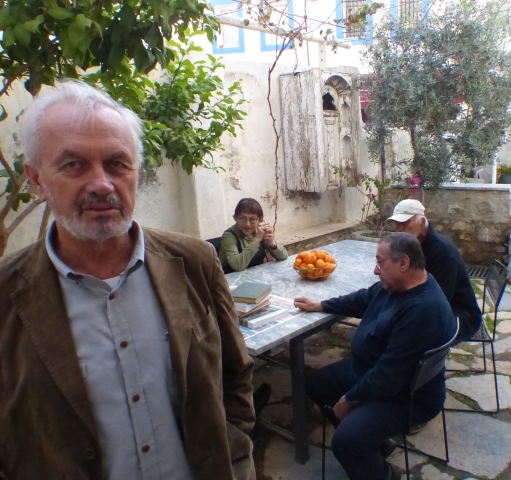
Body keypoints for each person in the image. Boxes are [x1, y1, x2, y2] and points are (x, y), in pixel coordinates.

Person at [0, 81, 256, 480]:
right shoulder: (7, 295)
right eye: (74, 164)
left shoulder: (195, 262)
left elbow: (235, 372)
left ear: (136, 171)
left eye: (117, 163)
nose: (102, 184)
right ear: (36, 181)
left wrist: (235, 453)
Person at [294, 233, 456, 480]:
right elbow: (363, 298)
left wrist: (350, 399)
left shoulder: (423, 309)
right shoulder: (399, 285)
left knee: (346, 441)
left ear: (404, 263)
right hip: (371, 371)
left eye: (380, 262)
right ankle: (378, 445)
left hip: (408, 395)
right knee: (316, 385)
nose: (375, 270)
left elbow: (390, 376)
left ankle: (387, 474)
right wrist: (322, 305)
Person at [388, 199, 481, 343]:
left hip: (458, 315)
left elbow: (439, 299)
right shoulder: (411, 244)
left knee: (404, 331)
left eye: (405, 223)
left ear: (422, 222)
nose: (399, 228)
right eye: (396, 223)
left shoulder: (443, 252)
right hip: (429, 304)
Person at [219, 198, 288, 273]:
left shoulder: (259, 231)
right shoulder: (229, 236)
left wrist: (272, 243)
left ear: (260, 219)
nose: (247, 224)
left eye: (252, 219)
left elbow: (283, 256)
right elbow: (237, 266)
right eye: (242, 218)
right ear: (235, 218)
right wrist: (256, 240)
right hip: (231, 277)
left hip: (255, 275)